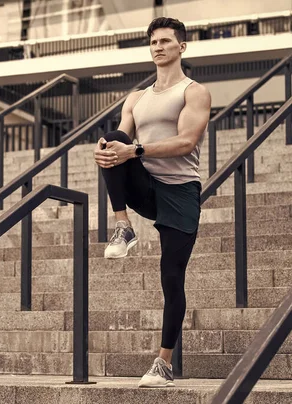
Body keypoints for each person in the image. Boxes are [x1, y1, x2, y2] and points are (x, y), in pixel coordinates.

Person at [93, 17, 212, 388]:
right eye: (153, 42)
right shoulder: (136, 98)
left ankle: (163, 363)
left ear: (181, 47)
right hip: (146, 186)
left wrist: (136, 149)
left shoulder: (195, 92)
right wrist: (108, 151)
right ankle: (122, 226)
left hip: (179, 192)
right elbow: (123, 142)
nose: (158, 47)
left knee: (172, 279)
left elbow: (187, 142)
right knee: (111, 138)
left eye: (165, 41)